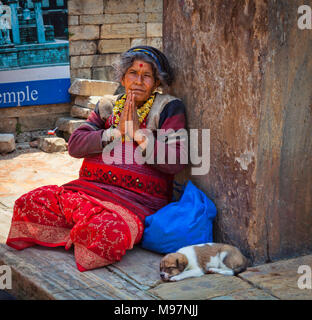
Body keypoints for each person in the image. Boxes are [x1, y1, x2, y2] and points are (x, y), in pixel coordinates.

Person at [6, 46, 187, 272]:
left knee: (109, 233)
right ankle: (79, 233)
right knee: (29, 202)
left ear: (157, 83)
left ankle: (79, 233)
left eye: (147, 76)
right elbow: (75, 145)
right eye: (133, 73)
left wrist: (138, 134)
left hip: (133, 203)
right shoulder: (107, 106)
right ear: (122, 77)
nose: (139, 81)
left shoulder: (168, 108)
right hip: (88, 192)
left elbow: (176, 160)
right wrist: (115, 133)